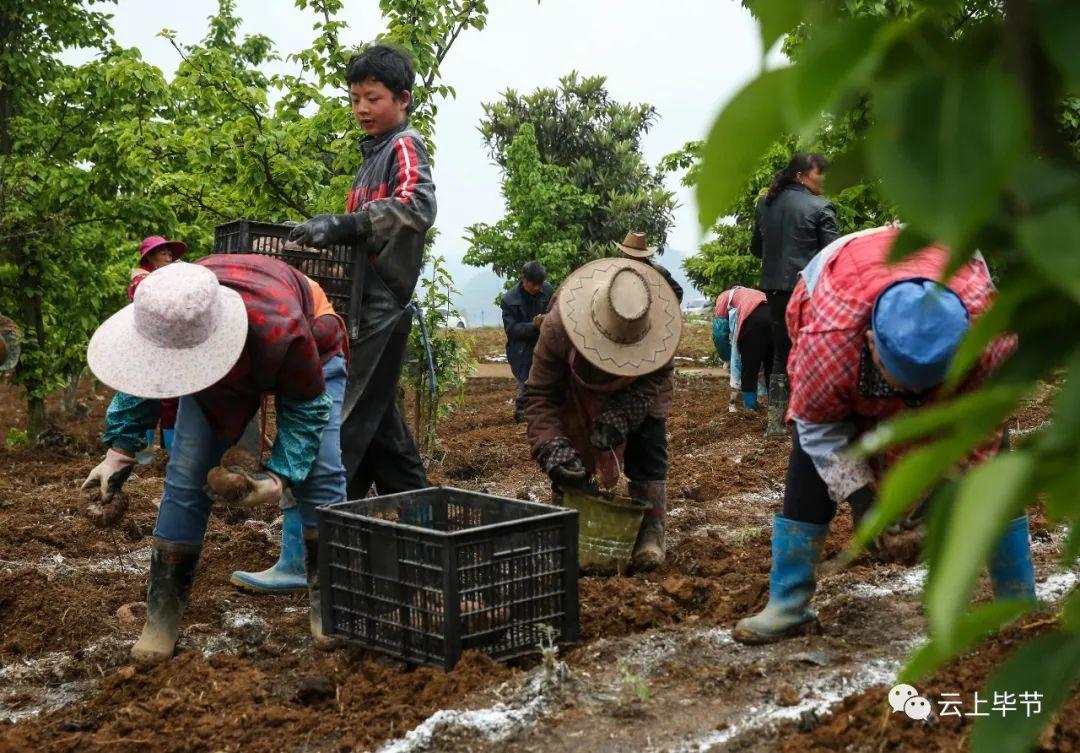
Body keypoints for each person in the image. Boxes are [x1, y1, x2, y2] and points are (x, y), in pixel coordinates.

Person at [732, 225, 1034, 645]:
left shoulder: (992, 337)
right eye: (902, 383)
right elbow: (817, 425)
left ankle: (1017, 606)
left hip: (949, 274)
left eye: (927, 389)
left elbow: (984, 423)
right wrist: (863, 500)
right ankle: (789, 601)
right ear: (871, 345)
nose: (912, 399)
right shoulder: (830, 339)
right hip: (838, 279)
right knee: (811, 452)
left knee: (995, 464)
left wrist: (939, 494)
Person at [82, 257, 348, 661]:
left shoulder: (282, 330)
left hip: (308, 339)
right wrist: (119, 452)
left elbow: (308, 408)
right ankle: (162, 619)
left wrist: (278, 480)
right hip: (216, 336)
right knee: (186, 472)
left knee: (321, 469)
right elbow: (146, 370)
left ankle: (332, 606)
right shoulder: (170, 312)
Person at [288, 44, 434, 504]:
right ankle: (424, 529)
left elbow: (418, 205)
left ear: (403, 99)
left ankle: (314, 540)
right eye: (355, 99)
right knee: (380, 429)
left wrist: (347, 224)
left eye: (373, 98)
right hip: (362, 306)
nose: (362, 109)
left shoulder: (404, 146)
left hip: (382, 307)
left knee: (342, 420)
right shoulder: (370, 157)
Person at [524, 258, 681, 571]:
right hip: (576, 388)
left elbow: (655, 379)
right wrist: (551, 447)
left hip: (638, 391)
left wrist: (624, 412)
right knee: (569, 455)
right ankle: (570, 517)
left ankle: (651, 529)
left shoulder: (660, 334)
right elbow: (540, 395)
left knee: (648, 442)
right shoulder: (558, 327)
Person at [750, 152, 838, 436]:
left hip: (774, 288)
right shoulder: (821, 207)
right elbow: (832, 256)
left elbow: (756, 249)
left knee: (780, 351)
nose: (823, 178)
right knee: (811, 349)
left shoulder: (765, 203)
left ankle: (775, 423)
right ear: (801, 176)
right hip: (807, 290)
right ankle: (806, 420)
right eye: (818, 173)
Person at [128, 235, 186, 454]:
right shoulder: (141, 280)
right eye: (164, 253)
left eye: (171, 254)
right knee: (153, 399)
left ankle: (169, 451)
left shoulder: (162, 276)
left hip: (166, 346)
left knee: (171, 398)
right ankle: (145, 451)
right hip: (151, 348)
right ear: (150, 257)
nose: (169, 258)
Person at [501, 261, 554, 423]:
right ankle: (522, 414)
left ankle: (546, 413)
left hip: (544, 343)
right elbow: (512, 330)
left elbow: (557, 312)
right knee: (528, 382)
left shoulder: (548, 290)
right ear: (524, 280)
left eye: (540, 284)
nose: (538, 288)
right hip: (521, 349)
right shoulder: (509, 300)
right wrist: (534, 326)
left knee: (550, 379)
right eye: (534, 284)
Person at [712, 286, 772, 411]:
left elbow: (719, 334)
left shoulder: (724, 296)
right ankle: (776, 407)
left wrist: (727, 357)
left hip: (752, 319)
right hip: (774, 316)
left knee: (749, 367)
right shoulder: (756, 293)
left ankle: (750, 409)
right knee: (772, 366)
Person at [614, 231, 684, 303]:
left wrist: (664, 308)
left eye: (632, 256)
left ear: (642, 257)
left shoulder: (660, 272)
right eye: (627, 255)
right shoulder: (617, 271)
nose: (629, 258)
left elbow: (678, 293)